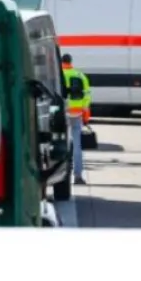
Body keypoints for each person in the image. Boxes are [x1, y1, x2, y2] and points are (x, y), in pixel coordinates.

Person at [61, 54, 91, 186]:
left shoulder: (58, 74)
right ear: (71, 62)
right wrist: (85, 116)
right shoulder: (80, 75)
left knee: (61, 145)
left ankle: (62, 176)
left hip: (61, 114)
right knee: (77, 146)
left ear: (62, 62)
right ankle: (78, 176)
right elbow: (87, 97)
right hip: (76, 113)